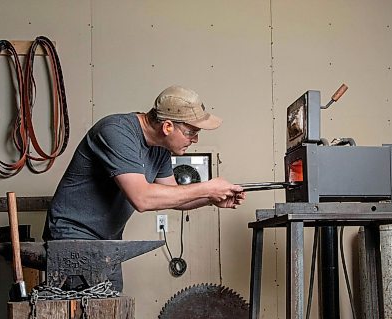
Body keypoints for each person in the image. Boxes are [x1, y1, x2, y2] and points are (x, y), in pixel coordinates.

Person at [43, 85, 246, 291]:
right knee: (82, 317)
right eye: (191, 132)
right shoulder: (116, 132)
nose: (195, 139)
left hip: (108, 243)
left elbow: (174, 195)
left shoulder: (160, 149)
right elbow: (142, 198)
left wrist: (212, 199)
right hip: (72, 237)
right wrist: (207, 188)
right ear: (167, 127)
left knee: (110, 313)